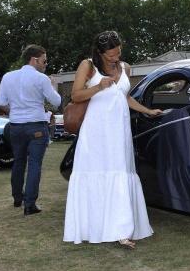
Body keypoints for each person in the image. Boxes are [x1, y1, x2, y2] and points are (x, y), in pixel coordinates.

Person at [63, 31, 161, 248]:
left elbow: (124, 96)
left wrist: (147, 111)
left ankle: (122, 229)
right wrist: (98, 86)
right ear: (99, 52)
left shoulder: (125, 67)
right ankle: (97, 227)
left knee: (120, 174)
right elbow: (76, 95)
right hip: (96, 132)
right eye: (111, 53)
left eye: (118, 50)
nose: (116, 55)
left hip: (119, 132)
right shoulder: (87, 66)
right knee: (97, 173)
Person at [0, 44, 61, 215]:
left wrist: (16, 112)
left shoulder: (8, 77)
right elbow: (56, 102)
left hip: (15, 126)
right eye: (44, 61)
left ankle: (18, 198)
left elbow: (0, 102)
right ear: (35, 59)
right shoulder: (42, 79)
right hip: (36, 125)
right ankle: (30, 204)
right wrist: (53, 86)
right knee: (34, 164)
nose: (45, 64)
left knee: (18, 161)